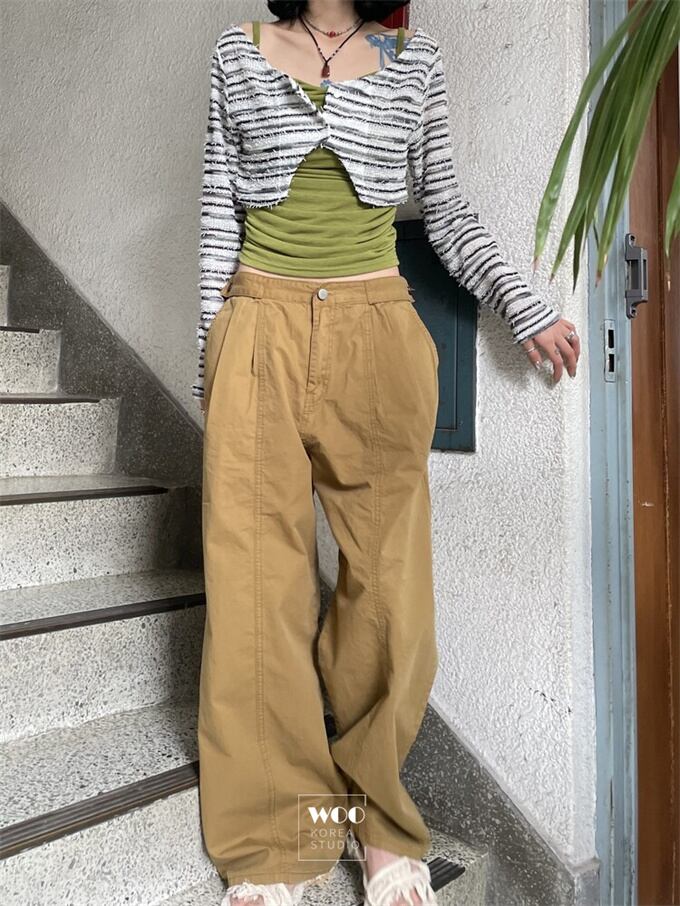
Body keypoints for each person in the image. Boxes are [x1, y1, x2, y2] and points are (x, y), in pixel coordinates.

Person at [194, 3, 581, 905]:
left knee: (390, 592)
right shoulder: (236, 54)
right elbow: (218, 212)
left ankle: (375, 820)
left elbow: (443, 206)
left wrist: (521, 305)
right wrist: (211, 365)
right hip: (257, 325)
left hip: (377, 334)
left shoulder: (415, 60)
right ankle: (276, 840)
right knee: (254, 591)